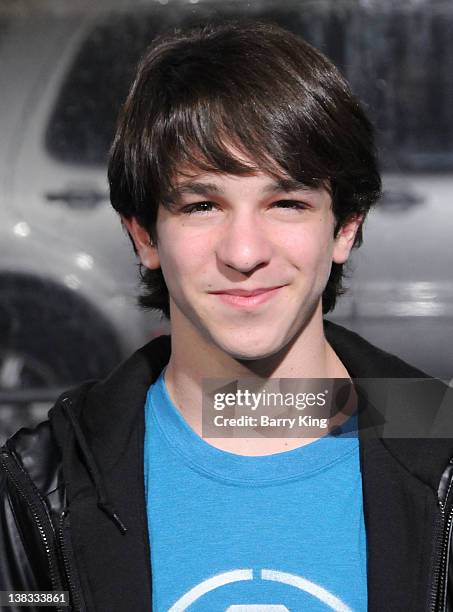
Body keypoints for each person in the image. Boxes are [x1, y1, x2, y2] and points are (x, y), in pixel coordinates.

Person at [0, 21, 451, 612]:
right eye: (202, 205)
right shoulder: (42, 482)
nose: (244, 253)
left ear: (345, 227)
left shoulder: (440, 443)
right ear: (144, 237)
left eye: (286, 203)